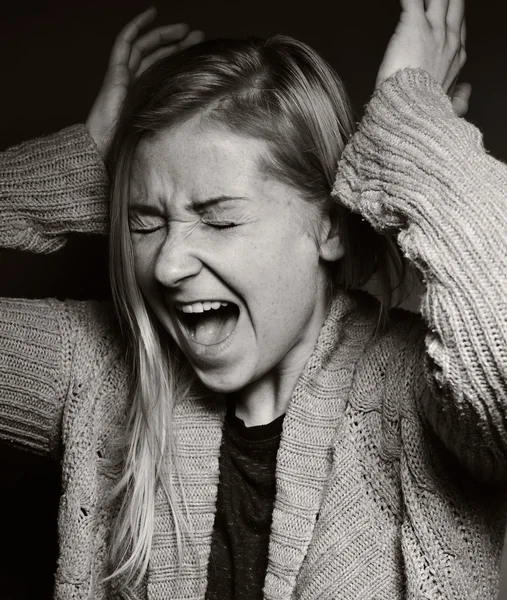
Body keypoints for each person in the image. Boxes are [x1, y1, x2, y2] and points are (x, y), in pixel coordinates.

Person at [0, 0, 506, 598]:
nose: (166, 264)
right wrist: (84, 161)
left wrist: (410, 120)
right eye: (144, 223)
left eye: (218, 220)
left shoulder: (415, 393)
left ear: (330, 228)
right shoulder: (99, 371)